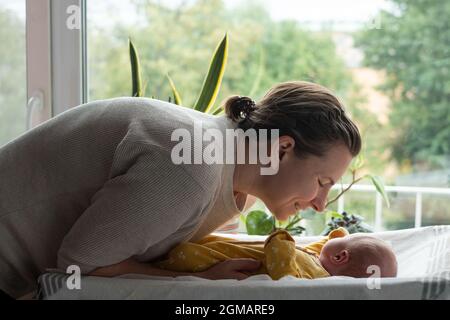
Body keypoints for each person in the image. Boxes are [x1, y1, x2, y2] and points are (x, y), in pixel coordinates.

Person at [0, 81, 361, 298]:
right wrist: (196, 282)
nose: (320, 203)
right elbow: (80, 263)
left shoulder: (237, 179)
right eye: (322, 183)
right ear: (282, 148)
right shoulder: (193, 166)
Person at [152, 227, 397, 280]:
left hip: (205, 260)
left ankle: (160, 262)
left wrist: (282, 240)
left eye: (345, 240)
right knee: (213, 239)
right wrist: (337, 239)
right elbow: (318, 248)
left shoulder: (312, 279)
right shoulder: (319, 263)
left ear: (341, 258)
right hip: (219, 245)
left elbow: (284, 274)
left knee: (189, 253)